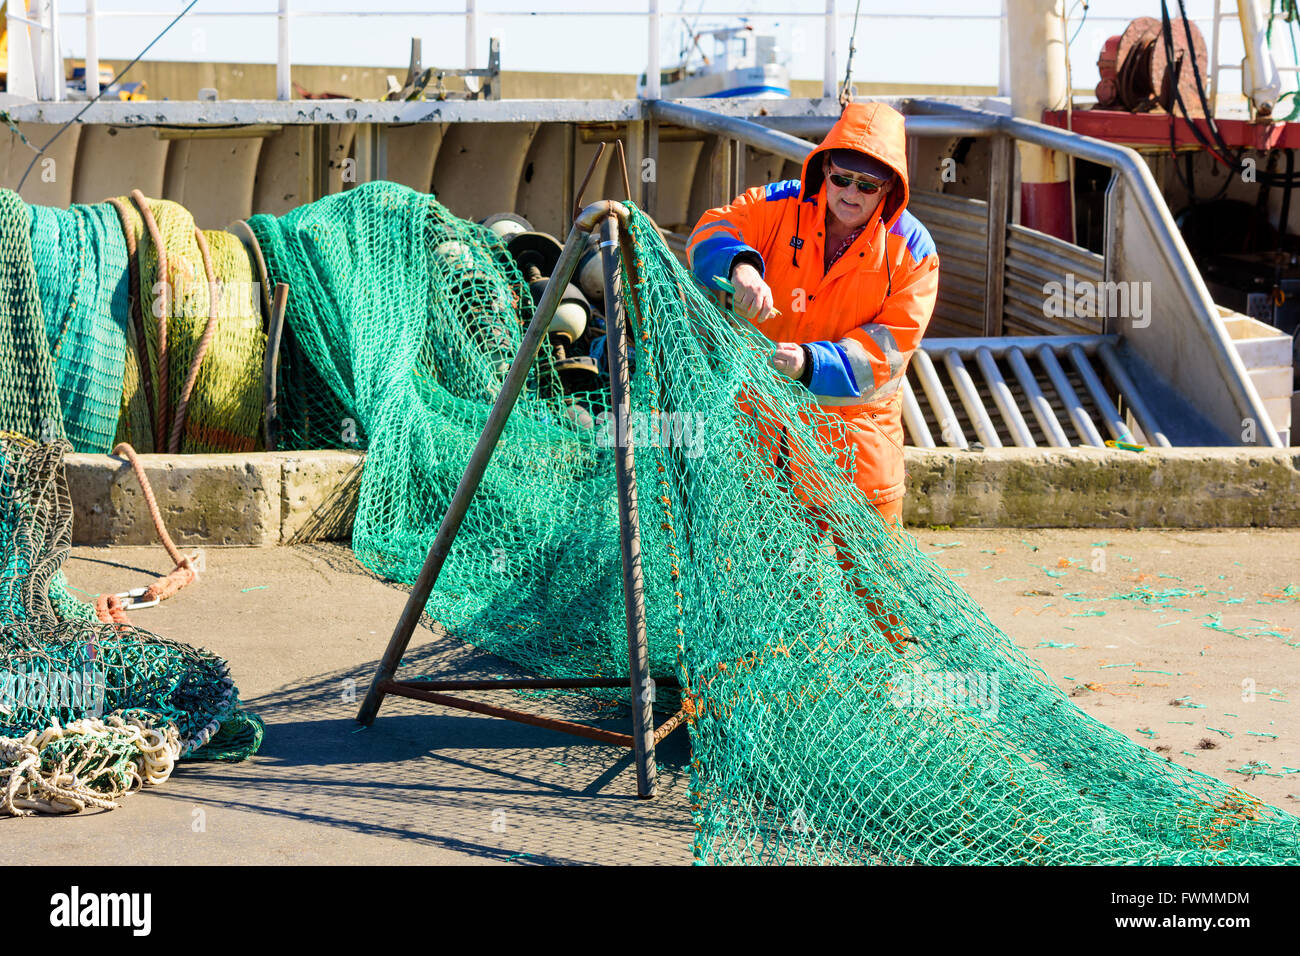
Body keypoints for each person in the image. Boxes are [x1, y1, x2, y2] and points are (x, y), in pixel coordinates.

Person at [686, 101, 939, 528]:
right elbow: (710, 230)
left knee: (868, 592)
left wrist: (809, 365)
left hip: (855, 460)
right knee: (755, 580)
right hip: (754, 443)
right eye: (841, 178)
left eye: (867, 185)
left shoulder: (914, 252)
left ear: (890, 189)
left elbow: (889, 351)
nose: (850, 193)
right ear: (824, 170)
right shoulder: (776, 204)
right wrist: (740, 266)